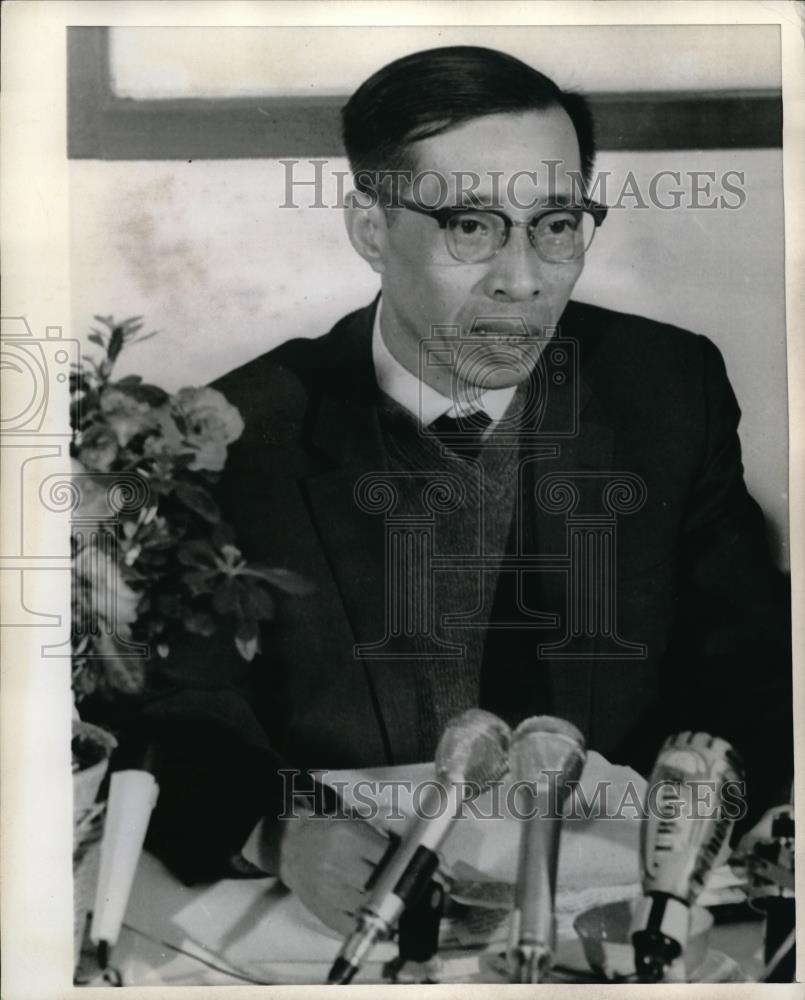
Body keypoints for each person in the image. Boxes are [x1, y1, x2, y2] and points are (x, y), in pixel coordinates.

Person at [141, 46, 792, 934]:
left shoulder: (665, 386)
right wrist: (277, 830)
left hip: (612, 908)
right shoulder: (237, 434)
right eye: (471, 226)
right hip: (320, 928)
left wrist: (727, 804)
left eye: (555, 224)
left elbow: (754, 664)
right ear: (370, 229)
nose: (522, 280)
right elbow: (168, 708)